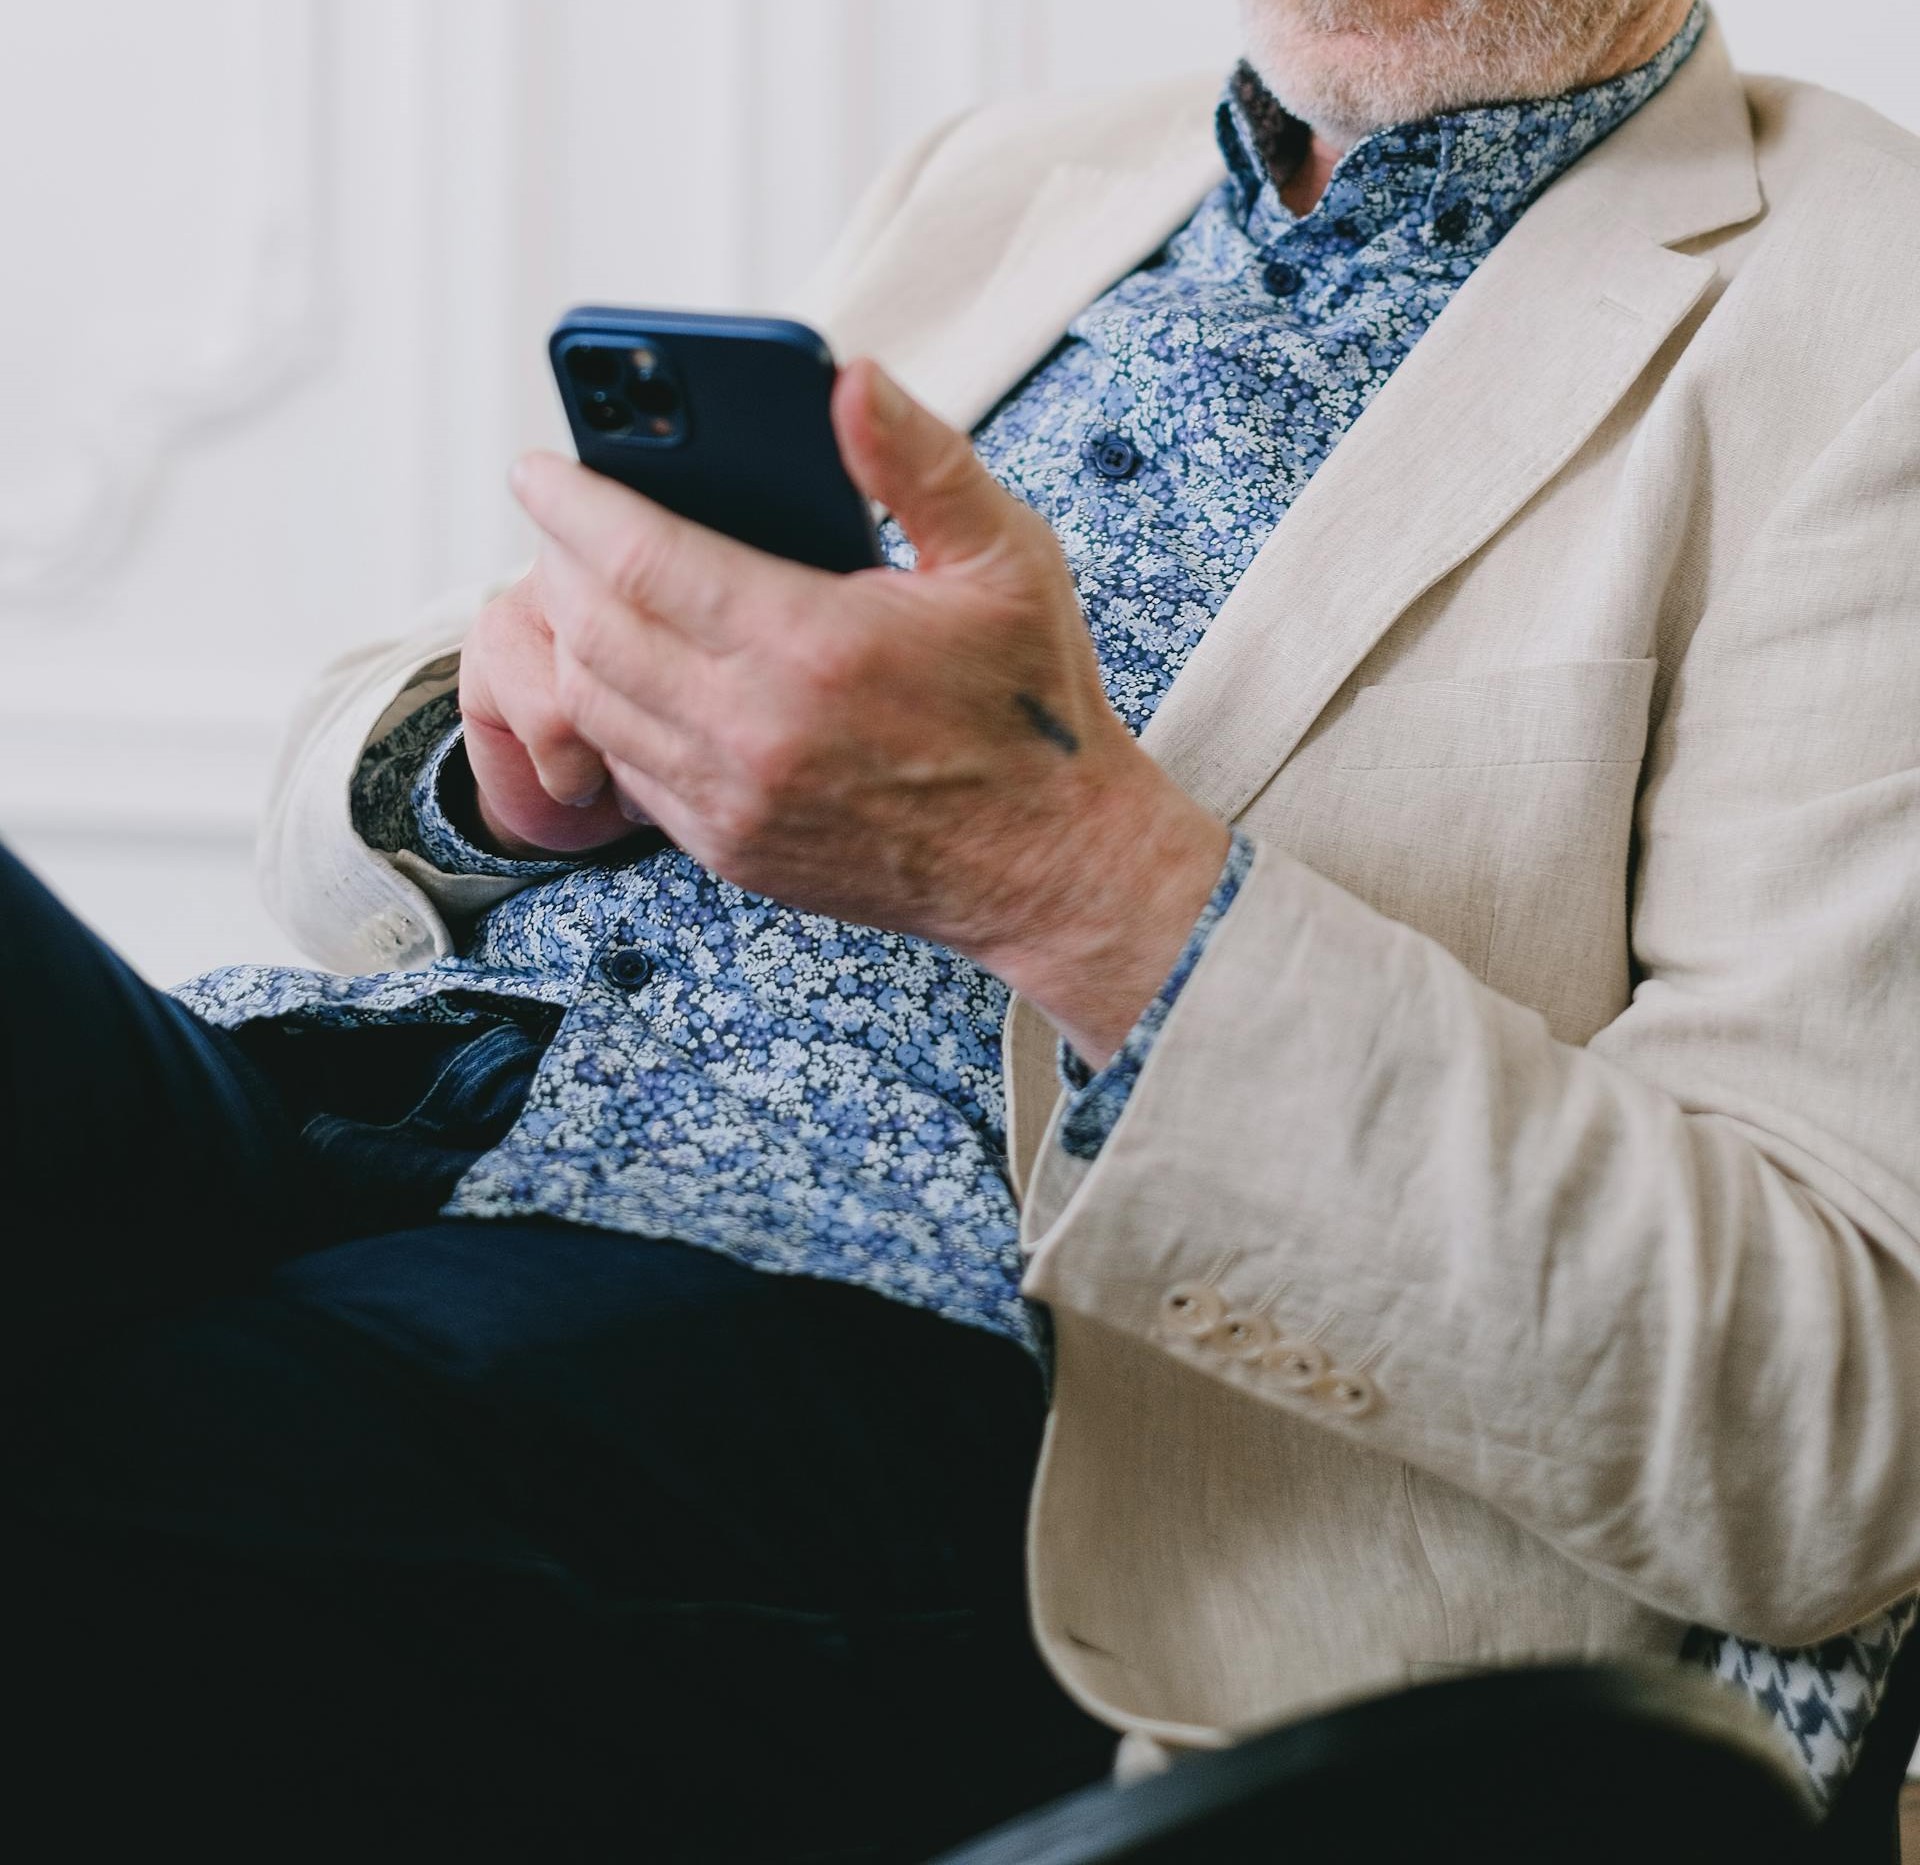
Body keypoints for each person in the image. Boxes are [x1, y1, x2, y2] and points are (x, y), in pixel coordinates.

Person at [11, 0, 1920, 1853]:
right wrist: (507, 759)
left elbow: (1814, 1422)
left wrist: (1061, 868)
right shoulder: (1012, 171)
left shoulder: (1869, 318)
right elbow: (349, 799)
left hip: (945, 1393)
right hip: (378, 1110)